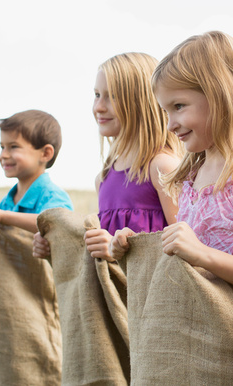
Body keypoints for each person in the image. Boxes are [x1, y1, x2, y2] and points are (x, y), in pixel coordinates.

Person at [110, 31, 233, 296]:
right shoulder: (192, 176)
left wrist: (203, 255)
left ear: (220, 96)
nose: (170, 124)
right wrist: (138, 249)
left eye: (179, 106)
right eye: (166, 111)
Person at [32, 52, 181, 260]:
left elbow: (185, 251)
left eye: (113, 96)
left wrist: (117, 250)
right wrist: (55, 246)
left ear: (142, 102)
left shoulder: (162, 167)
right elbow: (101, 250)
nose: (99, 107)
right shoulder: (103, 178)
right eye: (97, 95)